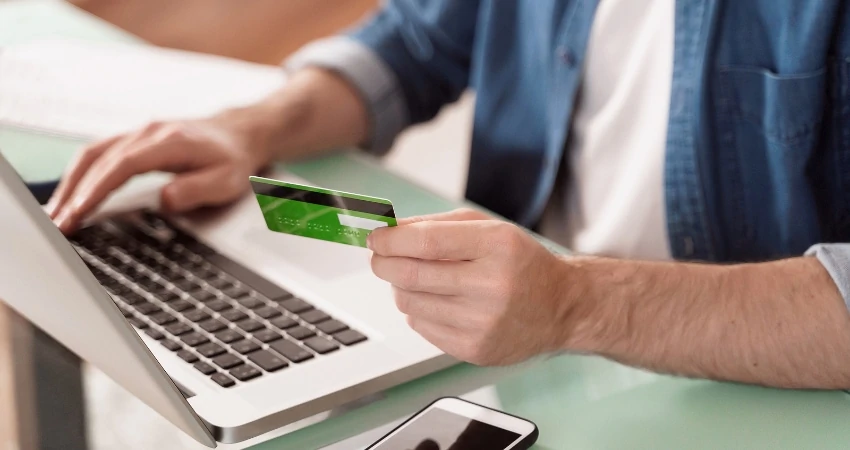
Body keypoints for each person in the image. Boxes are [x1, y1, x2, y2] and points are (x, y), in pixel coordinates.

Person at [46, 0, 850, 389]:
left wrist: (580, 303)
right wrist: (256, 127)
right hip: (520, 336)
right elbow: (418, 40)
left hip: (734, 374)